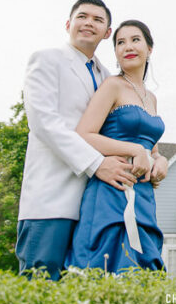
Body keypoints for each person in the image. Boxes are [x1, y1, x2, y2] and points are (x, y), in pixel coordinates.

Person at [15, 0, 168, 280]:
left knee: (86, 288)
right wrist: (97, 163)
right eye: (82, 16)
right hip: (54, 196)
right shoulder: (47, 60)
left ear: (106, 31)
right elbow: (43, 122)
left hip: (101, 196)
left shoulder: (107, 75)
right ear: (68, 23)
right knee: (40, 283)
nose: (88, 23)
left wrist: (159, 159)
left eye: (98, 20)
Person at [66, 19, 166, 272]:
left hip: (143, 194)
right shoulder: (112, 85)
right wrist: (134, 150)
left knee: (143, 270)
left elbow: (151, 149)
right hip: (111, 188)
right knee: (107, 264)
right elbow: (84, 134)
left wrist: (161, 160)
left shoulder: (151, 97)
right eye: (120, 42)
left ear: (149, 48)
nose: (127, 47)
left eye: (135, 40)